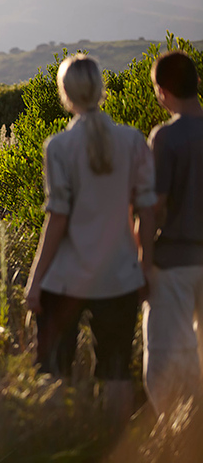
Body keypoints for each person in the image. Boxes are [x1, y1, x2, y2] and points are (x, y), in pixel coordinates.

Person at [25, 54, 156, 427]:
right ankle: (111, 440)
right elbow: (146, 211)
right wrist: (144, 269)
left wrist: (36, 280)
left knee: (53, 368)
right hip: (120, 276)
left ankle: (58, 439)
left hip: (67, 277)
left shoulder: (59, 147)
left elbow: (58, 219)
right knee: (116, 369)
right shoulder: (132, 140)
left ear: (64, 93)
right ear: (100, 90)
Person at [143, 50, 203, 417]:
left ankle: (177, 430)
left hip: (175, 264)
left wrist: (143, 264)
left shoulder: (166, 137)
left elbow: (155, 207)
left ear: (163, 91)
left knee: (167, 357)